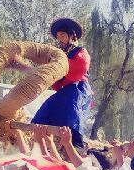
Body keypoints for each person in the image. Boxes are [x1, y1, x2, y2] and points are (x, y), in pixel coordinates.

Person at [30, 18, 93, 149]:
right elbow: (56, 78)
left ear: (72, 36)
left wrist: (60, 67)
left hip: (79, 88)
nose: (60, 39)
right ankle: (39, 136)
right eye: (58, 36)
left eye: (63, 35)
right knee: (47, 107)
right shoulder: (59, 55)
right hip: (66, 90)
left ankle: (77, 143)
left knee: (71, 110)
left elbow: (79, 69)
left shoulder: (80, 51)